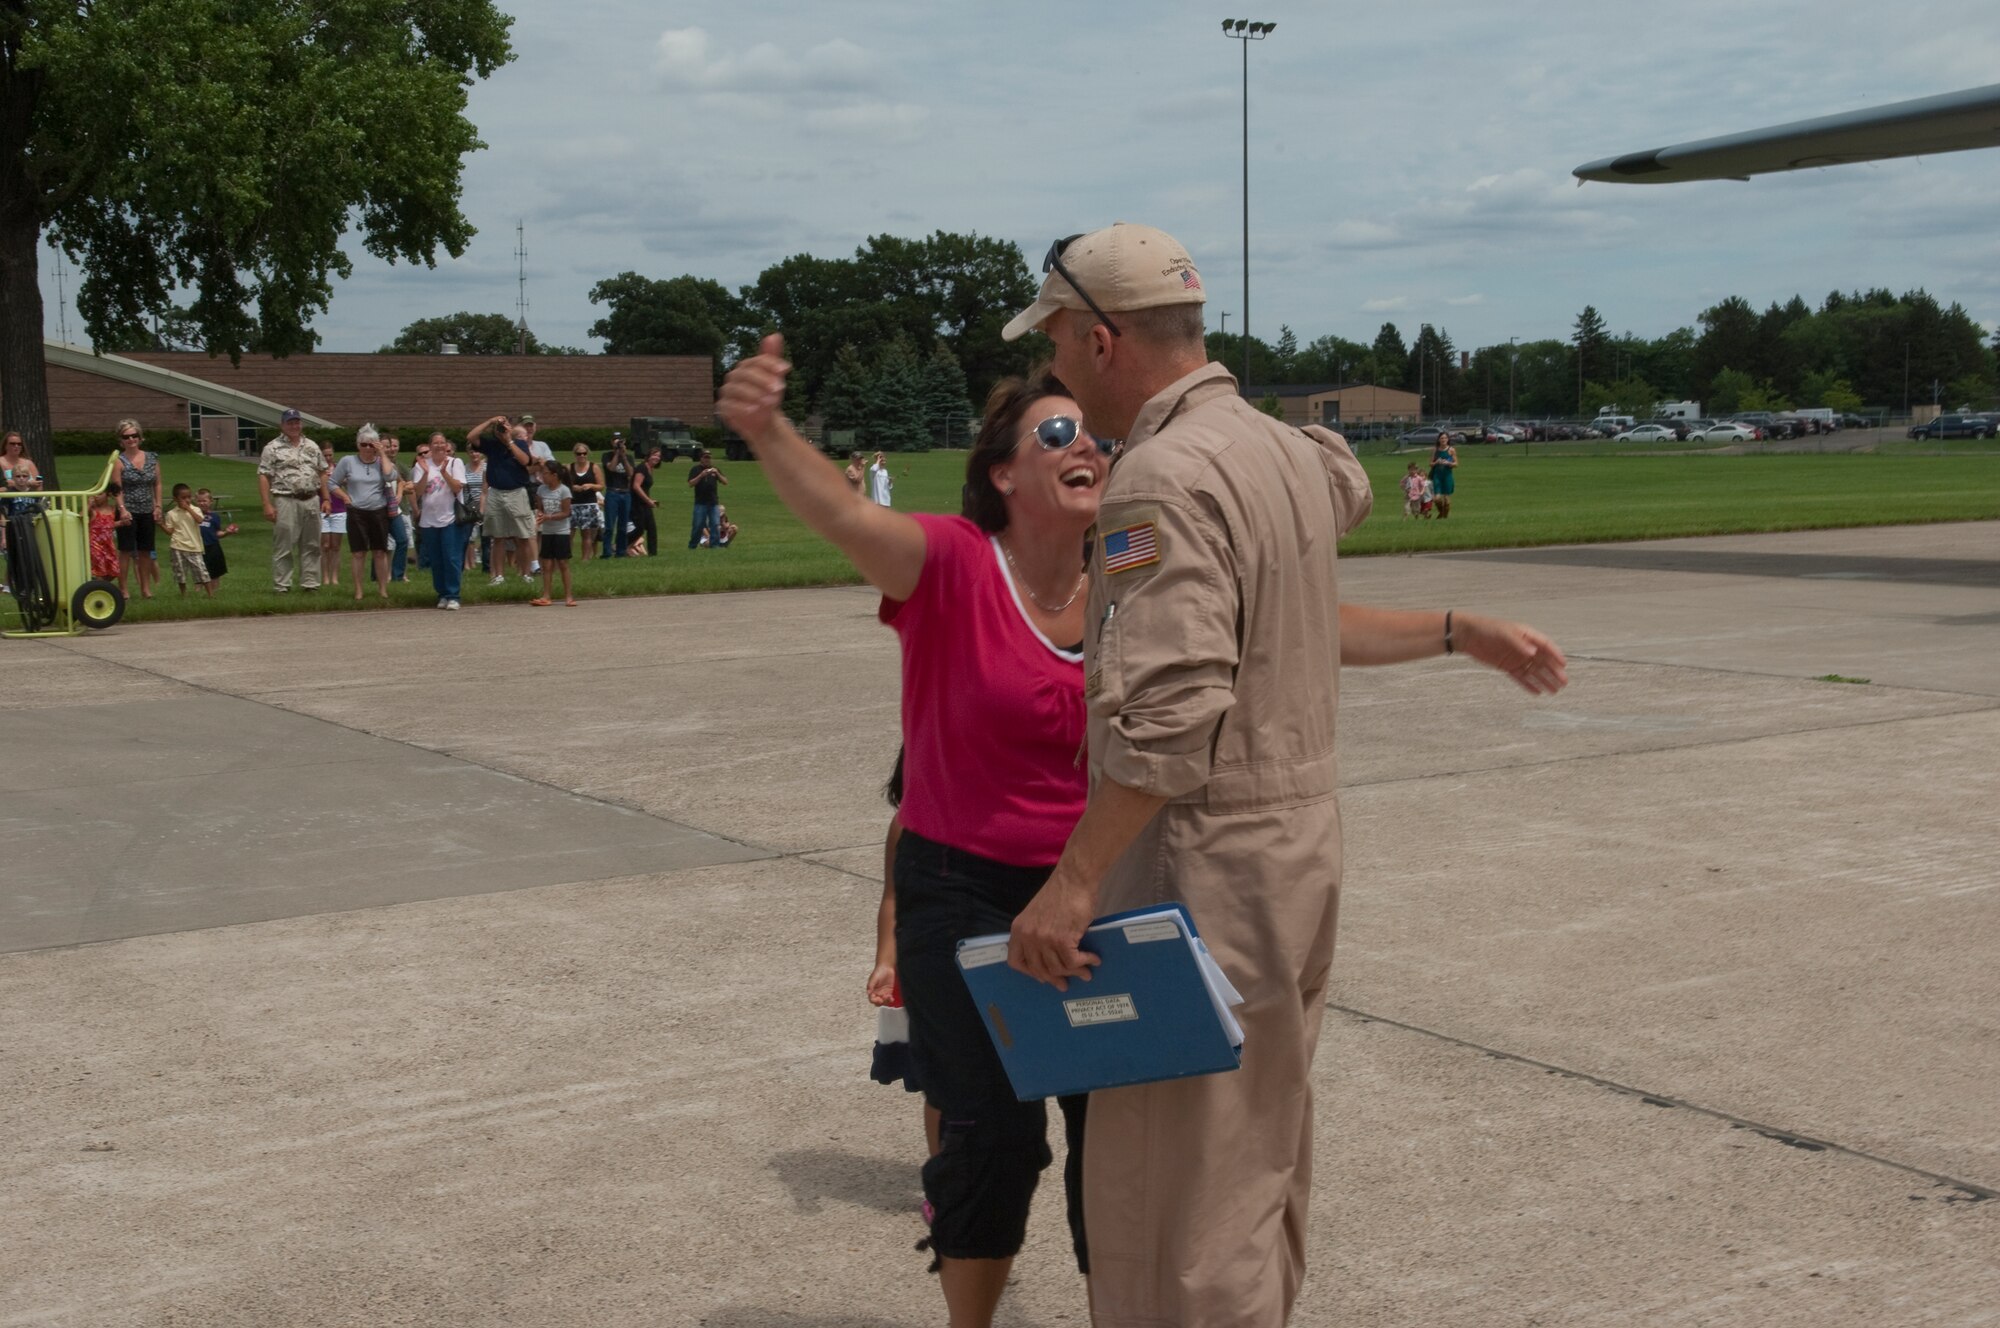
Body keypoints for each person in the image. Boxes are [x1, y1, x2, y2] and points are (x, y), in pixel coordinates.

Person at [999, 222, 1568, 1328]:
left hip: (1199, 862)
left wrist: (1070, 883)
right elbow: (1310, 555)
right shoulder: (1278, 450)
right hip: (1294, 849)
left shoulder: (1157, 480)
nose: (1055, 370)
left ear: (1104, 336)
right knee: (1255, 1159)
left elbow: (1167, 718)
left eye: (1060, 344)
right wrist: (1455, 627)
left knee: (1174, 1192)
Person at [721, 341, 1110, 1328]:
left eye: (1097, 433)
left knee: (1118, 1143)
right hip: (962, 892)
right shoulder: (950, 561)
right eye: (1057, 430)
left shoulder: (1129, 570)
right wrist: (768, 430)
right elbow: (844, 515)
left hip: (1095, 888)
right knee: (990, 1134)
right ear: (1003, 471)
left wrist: (1452, 630)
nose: (1087, 446)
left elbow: (1275, 615)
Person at [867, 750, 944, 1165]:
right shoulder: (905, 826)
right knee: (941, 1082)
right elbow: (892, 897)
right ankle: (942, 1176)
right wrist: (885, 960)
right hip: (928, 965)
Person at [257, 408, 327, 593]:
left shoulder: (312, 446)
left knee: (312, 544)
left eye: (297, 422)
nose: (294, 426)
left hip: (311, 499)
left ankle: (310, 584)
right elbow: (264, 476)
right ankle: (282, 585)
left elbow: (322, 472)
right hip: (285, 499)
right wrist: (267, 504)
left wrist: (325, 498)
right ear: (283, 425)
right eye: (290, 422)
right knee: (285, 544)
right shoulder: (272, 448)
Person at [330, 425, 397, 602]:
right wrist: (345, 497)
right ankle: (358, 590)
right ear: (358, 445)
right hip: (357, 512)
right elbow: (332, 483)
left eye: (371, 445)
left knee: (380, 552)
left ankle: (383, 589)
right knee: (358, 553)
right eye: (364, 444)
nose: (367, 448)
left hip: (378, 511)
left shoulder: (380, 462)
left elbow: (391, 476)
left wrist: (382, 454)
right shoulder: (348, 461)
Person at [470, 415, 536, 584]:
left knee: (522, 536)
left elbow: (525, 461)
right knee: (497, 537)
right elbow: (471, 437)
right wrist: (490, 421)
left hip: (517, 492)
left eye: (506, 425)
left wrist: (509, 441)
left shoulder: (519, 444)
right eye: (501, 427)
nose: (502, 429)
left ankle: (525, 574)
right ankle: (498, 575)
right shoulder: (491, 445)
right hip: (496, 493)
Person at [412, 431, 469, 609]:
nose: (439, 446)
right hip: (429, 519)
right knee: (436, 560)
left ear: (447, 446)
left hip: (451, 518)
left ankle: (453, 595)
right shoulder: (422, 465)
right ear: (429, 446)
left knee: (451, 557)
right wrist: (424, 472)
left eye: (442, 443)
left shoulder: (455, 463)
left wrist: (444, 472)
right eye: (435, 443)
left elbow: (458, 487)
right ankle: (442, 593)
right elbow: (418, 491)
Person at [114, 419, 163, 599]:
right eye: (126, 437)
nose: (131, 439)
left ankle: (145, 588)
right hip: (128, 511)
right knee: (126, 550)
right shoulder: (118, 461)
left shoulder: (152, 458)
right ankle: (124, 589)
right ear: (121, 440)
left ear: (140, 437)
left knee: (145, 550)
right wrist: (122, 509)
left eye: (134, 435)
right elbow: (116, 488)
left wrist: (158, 506)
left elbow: (157, 483)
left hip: (147, 510)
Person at [532, 458, 575, 607]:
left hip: (561, 531)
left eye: (545, 473)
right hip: (547, 532)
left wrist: (548, 517)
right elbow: (540, 508)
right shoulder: (541, 490)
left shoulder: (564, 491)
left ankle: (569, 596)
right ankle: (546, 595)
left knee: (563, 563)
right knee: (547, 564)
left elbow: (565, 512)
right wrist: (539, 516)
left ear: (555, 475)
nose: (542, 476)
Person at [160, 484, 214, 598]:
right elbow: (170, 531)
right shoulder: (171, 513)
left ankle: (210, 594)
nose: (187, 500)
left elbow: (199, 520)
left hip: (194, 546)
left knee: (201, 571)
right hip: (177, 546)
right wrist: (161, 524)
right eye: (183, 498)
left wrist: (188, 508)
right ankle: (183, 594)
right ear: (175, 499)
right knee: (180, 573)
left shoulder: (196, 509)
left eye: (189, 497)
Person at [566, 444, 605, 561]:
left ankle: (585, 559)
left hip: (589, 504)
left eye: (584, 453)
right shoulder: (569, 468)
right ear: (575, 455)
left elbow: (601, 486)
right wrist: (573, 487)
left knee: (586, 533)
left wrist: (591, 485)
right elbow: (564, 485)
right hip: (573, 504)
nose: (582, 456)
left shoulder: (594, 467)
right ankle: (567, 557)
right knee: (569, 533)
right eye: (579, 454)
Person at [600, 433, 634, 558]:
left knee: (623, 526)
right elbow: (611, 468)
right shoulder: (606, 456)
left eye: (620, 440)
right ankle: (607, 552)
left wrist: (623, 456)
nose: (617, 442)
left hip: (625, 493)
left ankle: (621, 551)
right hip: (612, 492)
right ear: (611, 442)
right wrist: (617, 453)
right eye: (615, 440)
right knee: (609, 526)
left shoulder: (628, 457)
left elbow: (630, 473)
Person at [195, 489, 238, 586]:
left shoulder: (215, 517)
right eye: (199, 501)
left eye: (204, 501)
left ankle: (214, 593)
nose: (202, 503)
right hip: (198, 547)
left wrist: (227, 532)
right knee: (199, 572)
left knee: (215, 572)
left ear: (210, 501)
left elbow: (217, 533)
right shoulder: (193, 515)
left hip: (213, 547)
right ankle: (197, 592)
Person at [319, 442, 347, 588]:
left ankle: (334, 577)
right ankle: (325, 577)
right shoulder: (317, 470)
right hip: (322, 509)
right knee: (324, 545)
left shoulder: (338, 469)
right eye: (325, 455)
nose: (328, 458)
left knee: (335, 546)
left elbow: (347, 483)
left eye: (330, 455)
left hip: (339, 509)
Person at [687, 448, 727, 549]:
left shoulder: (715, 469)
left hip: (713, 502)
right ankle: (692, 545)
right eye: (705, 457)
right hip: (700, 503)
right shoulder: (695, 469)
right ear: (701, 458)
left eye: (709, 458)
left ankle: (715, 545)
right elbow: (690, 483)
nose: (707, 460)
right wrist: (701, 475)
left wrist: (717, 473)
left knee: (715, 524)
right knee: (698, 525)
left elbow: (725, 481)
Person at [461, 445, 489, 573]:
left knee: (486, 539)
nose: (474, 454)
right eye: (471, 452)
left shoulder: (486, 468)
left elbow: (486, 488)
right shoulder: (464, 469)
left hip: (485, 505)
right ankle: (463, 565)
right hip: (468, 507)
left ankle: (487, 566)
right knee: (466, 538)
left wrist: (482, 509)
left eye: (476, 451)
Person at [630, 445, 661, 556]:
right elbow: (636, 486)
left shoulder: (650, 468)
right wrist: (648, 500)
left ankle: (653, 554)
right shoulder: (642, 468)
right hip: (637, 503)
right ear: (648, 456)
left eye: (658, 456)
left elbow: (643, 488)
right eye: (654, 455)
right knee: (639, 529)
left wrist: (650, 500)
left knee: (651, 528)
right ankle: (620, 545)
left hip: (645, 503)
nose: (656, 458)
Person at [88, 486, 122, 581]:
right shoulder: (93, 511)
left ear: (107, 495)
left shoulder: (113, 510)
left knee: (114, 570)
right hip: (95, 544)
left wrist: (121, 523)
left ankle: (101, 586)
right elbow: (80, 517)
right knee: (100, 569)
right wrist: (88, 505)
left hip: (108, 544)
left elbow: (108, 524)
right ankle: (100, 588)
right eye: (94, 494)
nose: (96, 497)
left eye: (100, 494)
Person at [1429, 430, 1458, 518]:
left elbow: (1456, 464)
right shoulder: (1435, 450)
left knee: (1447, 501)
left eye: (1445, 438)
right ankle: (1441, 512)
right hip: (1437, 476)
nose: (1443, 440)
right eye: (1441, 438)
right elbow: (1430, 464)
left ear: (1448, 439)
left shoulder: (1451, 450)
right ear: (1438, 440)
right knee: (1437, 499)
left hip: (1447, 476)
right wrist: (1436, 462)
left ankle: (1444, 516)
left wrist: (1448, 463)